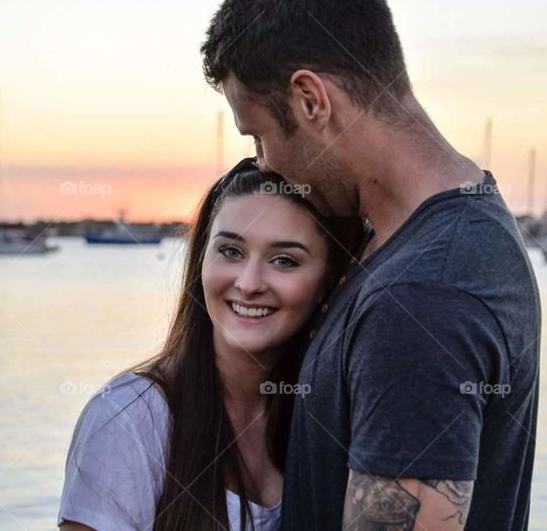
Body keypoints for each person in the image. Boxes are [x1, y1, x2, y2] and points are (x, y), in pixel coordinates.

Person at [200, 0, 541, 530]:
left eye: (257, 135)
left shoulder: (422, 295)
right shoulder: (436, 233)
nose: (262, 165)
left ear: (311, 100)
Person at [57, 158, 364, 531]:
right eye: (231, 252)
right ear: (202, 259)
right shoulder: (130, 418)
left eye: (284, 260)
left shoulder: (336, 413)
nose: (249, 283)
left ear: (328, 282)